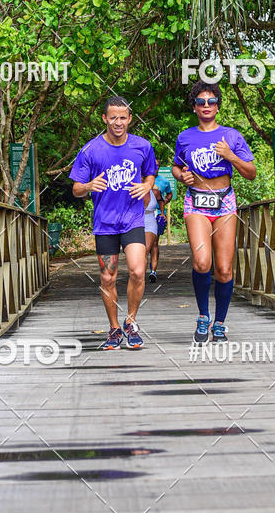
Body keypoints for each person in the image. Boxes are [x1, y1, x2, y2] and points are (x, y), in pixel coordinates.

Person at [69, 96, 157, 350]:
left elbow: (150, 172)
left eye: (123, 117)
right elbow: (76, 189)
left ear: (130, 119)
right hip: (105, 223)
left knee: (138, 271)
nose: (118, 122)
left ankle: (131, 321)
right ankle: (114, 328)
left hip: (132, 220)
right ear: (105, 119)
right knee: (108, 277)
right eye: (113, 117)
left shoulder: (142, 146)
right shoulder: (90, 150)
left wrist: (147, 185)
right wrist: (87, 186)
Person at [172, 81, 256, 343]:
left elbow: (251, 174)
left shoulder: (231, 136)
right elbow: (177, 166)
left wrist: (230, 156)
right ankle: (203, 315)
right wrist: (181, 176)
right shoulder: (185, 137)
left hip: (224, 202)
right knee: (201, 262)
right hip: (196, 201)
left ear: (218, 106)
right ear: (194, 107)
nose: (206, 106)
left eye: (211, 101)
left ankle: (220, 322)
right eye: (201, 101)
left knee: (224, 268)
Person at [146, 159, 173, 283]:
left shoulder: (164, 181)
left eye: (158, 166)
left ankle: (153, 271)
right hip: (142, 213)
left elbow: (169, 194)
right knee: (144, 245)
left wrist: (164, 203)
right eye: (153, 165)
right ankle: (141, 270)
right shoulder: (143, 178)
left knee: (154, 243)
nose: (155, 168)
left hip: (156, 213)